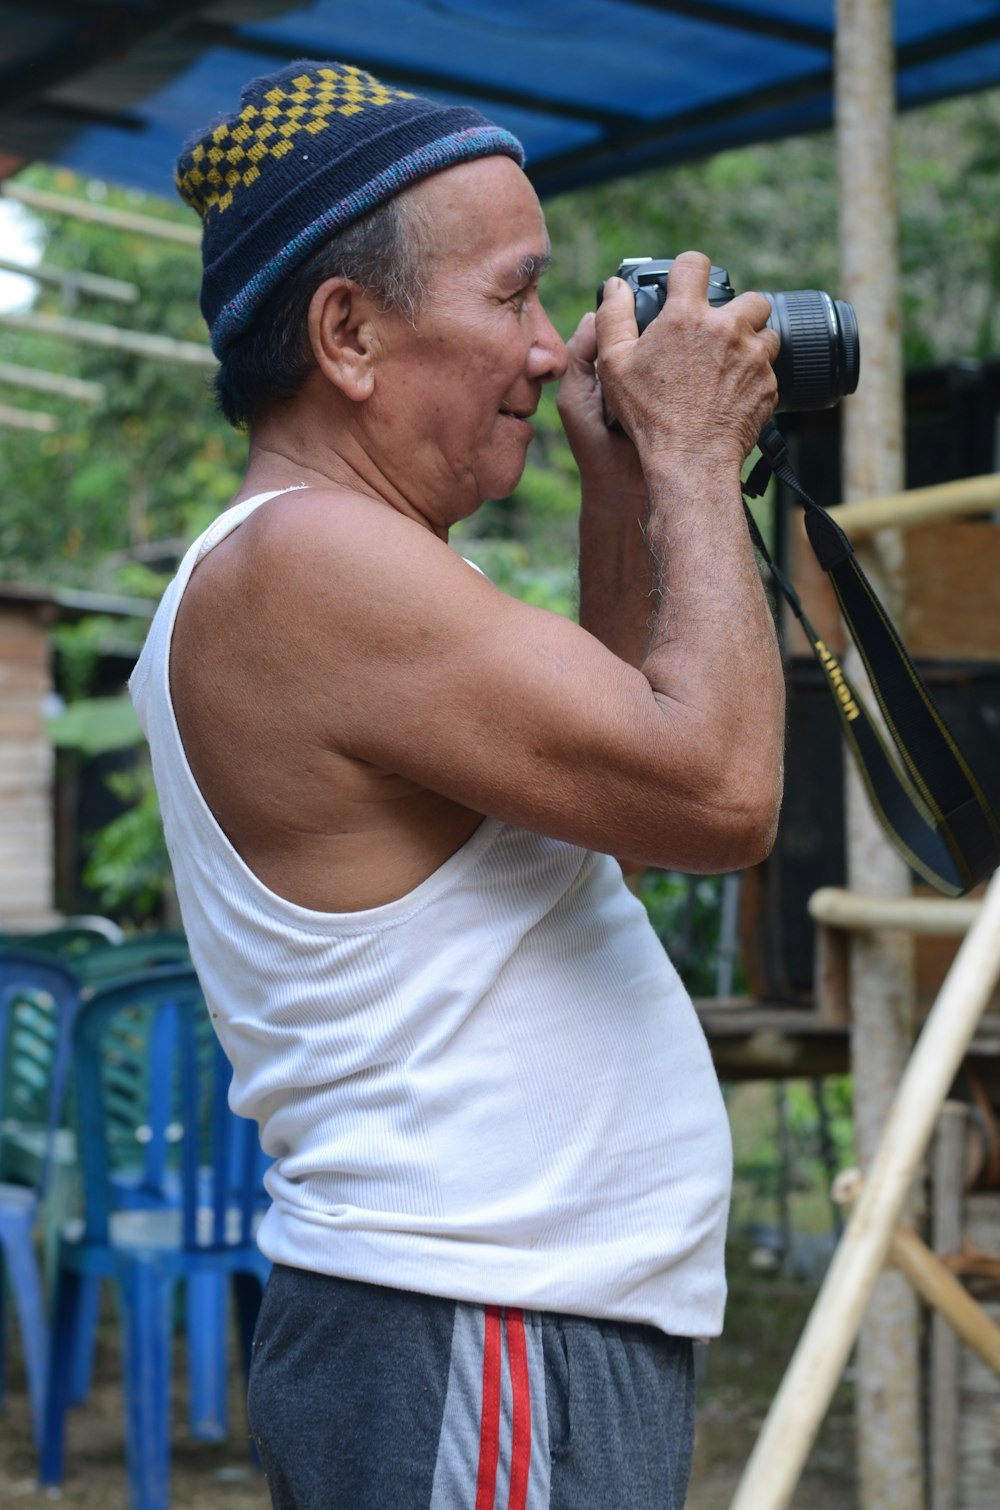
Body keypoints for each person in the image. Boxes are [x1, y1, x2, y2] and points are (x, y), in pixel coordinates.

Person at [130, 58, 785, 1510]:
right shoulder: (310, 563)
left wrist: (626, 490)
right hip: (472, 1317)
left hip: (500, 1315)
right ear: (348, 332)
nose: (554, 351)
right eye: (514, 295)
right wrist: (691, 452)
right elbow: (725, 790)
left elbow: (621, 794)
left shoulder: (346, 566)